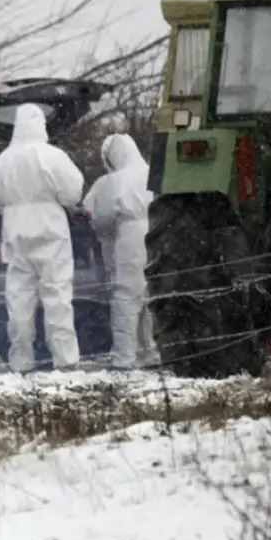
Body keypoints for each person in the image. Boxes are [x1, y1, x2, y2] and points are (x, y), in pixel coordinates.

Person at [0, 103, 85, 373]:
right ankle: (65, 360)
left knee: (19, 299)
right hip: (51, 231)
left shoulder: (4, 160)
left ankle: (21, 360)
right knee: (57, 295)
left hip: (16, 232)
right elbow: (72, 192)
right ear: (41, 124)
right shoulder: (52, 156)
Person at [83, 133, 161, 369]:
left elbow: (100, 219)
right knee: (150, 297)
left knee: (126, 296)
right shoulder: (154, 173)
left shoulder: (112, 182)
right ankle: (150, 350)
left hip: (129, 237)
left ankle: (124, 356)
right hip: (157, 233)